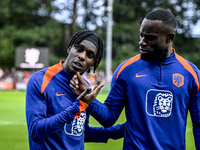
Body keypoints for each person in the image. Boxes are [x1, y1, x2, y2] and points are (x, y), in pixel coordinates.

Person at [70, 9, 200, 149]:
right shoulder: (126, 69)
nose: (142, 42)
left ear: (170, 38)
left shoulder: (191, 73)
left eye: (150, 38)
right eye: (141, 35)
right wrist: (89, 101)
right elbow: (109, 117)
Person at [25, 30, 125, 150]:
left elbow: (80, 132)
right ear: (69, 48)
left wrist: (123, 129)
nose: (82, 56)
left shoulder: (84, 86)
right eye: (79, 49)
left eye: (90, 55)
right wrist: (78, 106)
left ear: (93, 62)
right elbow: (36, 131)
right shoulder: (40, 80)